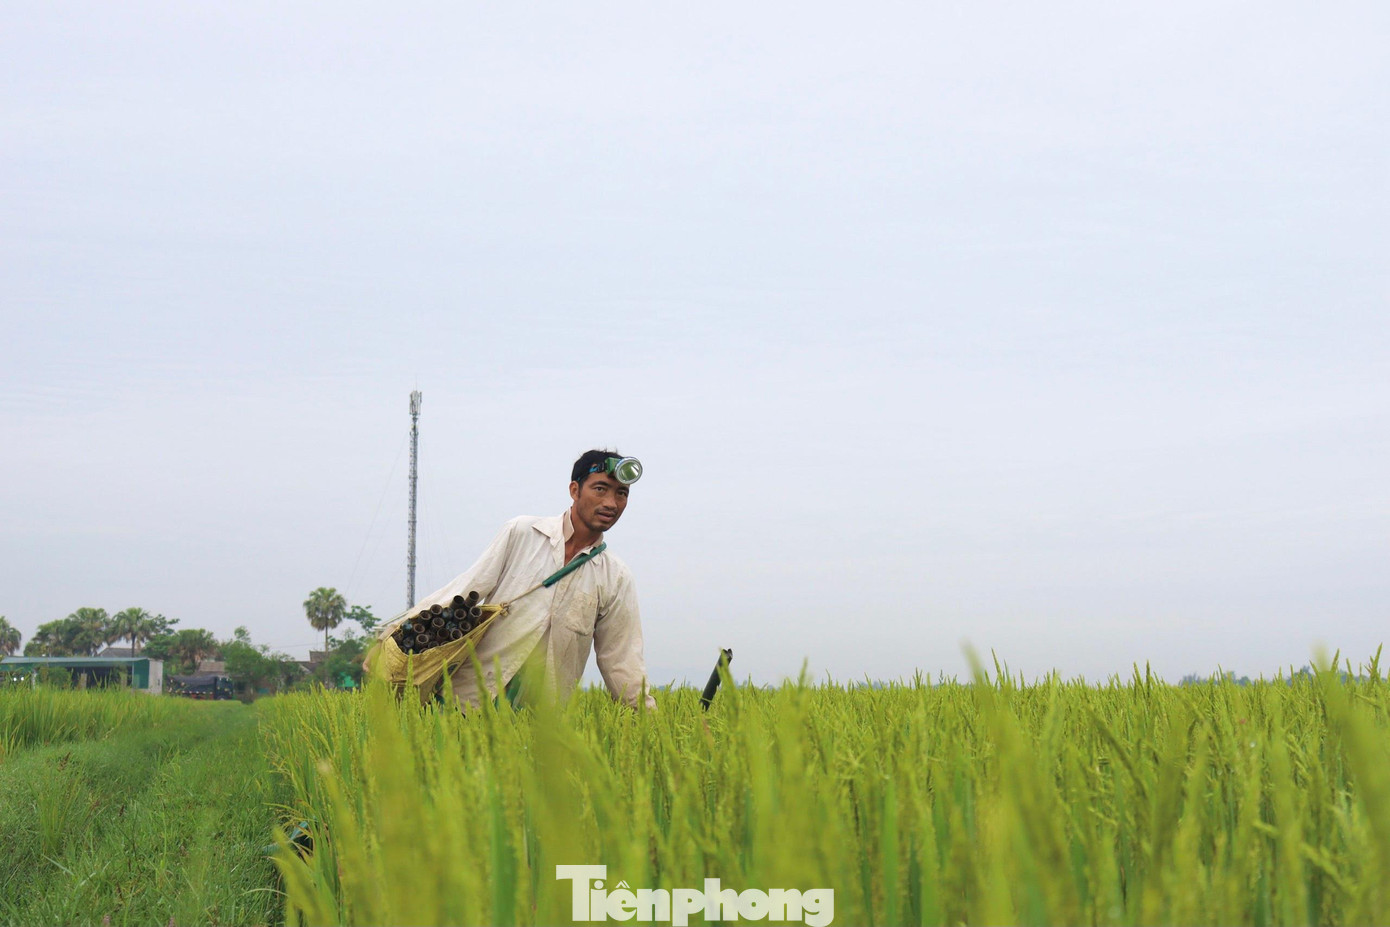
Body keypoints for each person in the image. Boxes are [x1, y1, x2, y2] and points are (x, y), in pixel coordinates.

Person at [391, 448, 658, 712]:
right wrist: (391, 639)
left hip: (538, 721)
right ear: (575, 490)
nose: (611, 503)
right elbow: (465, 590)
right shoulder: (523, 533)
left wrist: (652, 724)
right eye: (600, 489)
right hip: (468, 700)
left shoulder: (615, 577)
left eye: (621, 493)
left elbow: (622, 661)